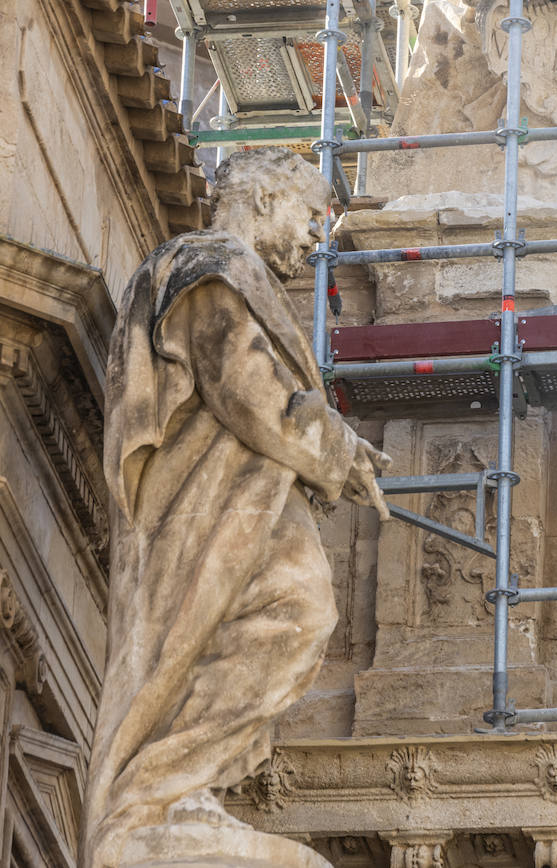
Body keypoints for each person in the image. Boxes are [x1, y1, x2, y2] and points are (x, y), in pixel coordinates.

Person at [85, 149, 391, 868]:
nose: (319, 236)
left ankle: (179, 790)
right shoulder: (208, 266)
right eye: (310, 213)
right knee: (294, 607)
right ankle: (158, 796)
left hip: (239, 499)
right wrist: (336, 451)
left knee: (291, 611)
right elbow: (243, 387)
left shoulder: (221, 274)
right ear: (261, 199)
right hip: (208, 504)